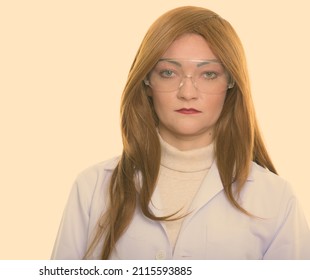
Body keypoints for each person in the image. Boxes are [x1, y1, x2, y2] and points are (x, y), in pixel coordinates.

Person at [51, 6, 310, 260]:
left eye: (208, 74)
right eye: (168, 73)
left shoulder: (275, 199)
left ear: (231, 83)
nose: (187, 92)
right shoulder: (92, 187)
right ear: (147, 81)